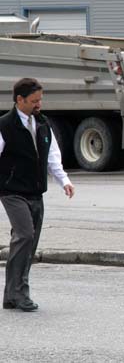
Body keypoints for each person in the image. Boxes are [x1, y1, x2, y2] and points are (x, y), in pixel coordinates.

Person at [1, 78, 75, 312]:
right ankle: (21, 294)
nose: (38, 104)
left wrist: (64, 180)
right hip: (11, 191)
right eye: (34, 101)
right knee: (25, 235)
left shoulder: (43, 123)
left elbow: (52, 156)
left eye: (40, 99)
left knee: (27, 242)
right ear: (19, 100)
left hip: (35, 191)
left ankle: (11, 294)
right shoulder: (5, 125)